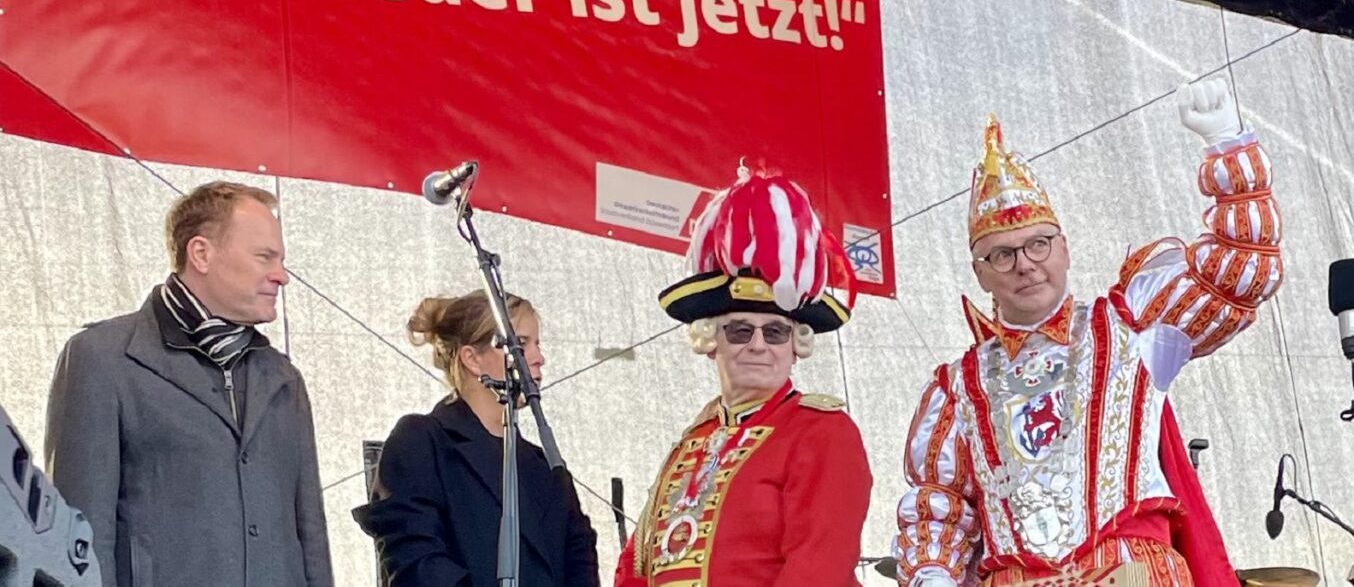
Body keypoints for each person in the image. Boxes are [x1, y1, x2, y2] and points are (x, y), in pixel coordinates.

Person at [893, 79, 1283, 586]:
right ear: (980, 272)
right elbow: (938, 505)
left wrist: (1229, 148)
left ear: (1065, 247)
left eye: (1038, 244)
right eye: (1003, 254)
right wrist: (933, 575)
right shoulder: (957, 387)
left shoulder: (1134, 325)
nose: (1025, 265)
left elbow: (1242, 271)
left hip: (1133, 574)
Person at [45, 181, 333, 587]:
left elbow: (311, 534)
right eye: (264, 257)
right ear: (201, 253)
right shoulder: (101, 359)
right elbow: (80, 532)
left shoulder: (282, 377)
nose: (281, 276)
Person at [616, 169, 873, 587]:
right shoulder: (692, 441)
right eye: (740, 330)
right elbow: (638, 564)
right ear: (710, 339)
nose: (758, 345)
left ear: (796, 344)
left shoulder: (822, 432)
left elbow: (817, 568)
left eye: (775, 332)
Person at [353, 290, 600, 587]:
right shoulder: (422, 441)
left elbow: (580, 562)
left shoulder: (546, 466)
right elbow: (416, 563)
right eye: (521, 345)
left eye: (537, 344)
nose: (538, 358)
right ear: (472, 358)